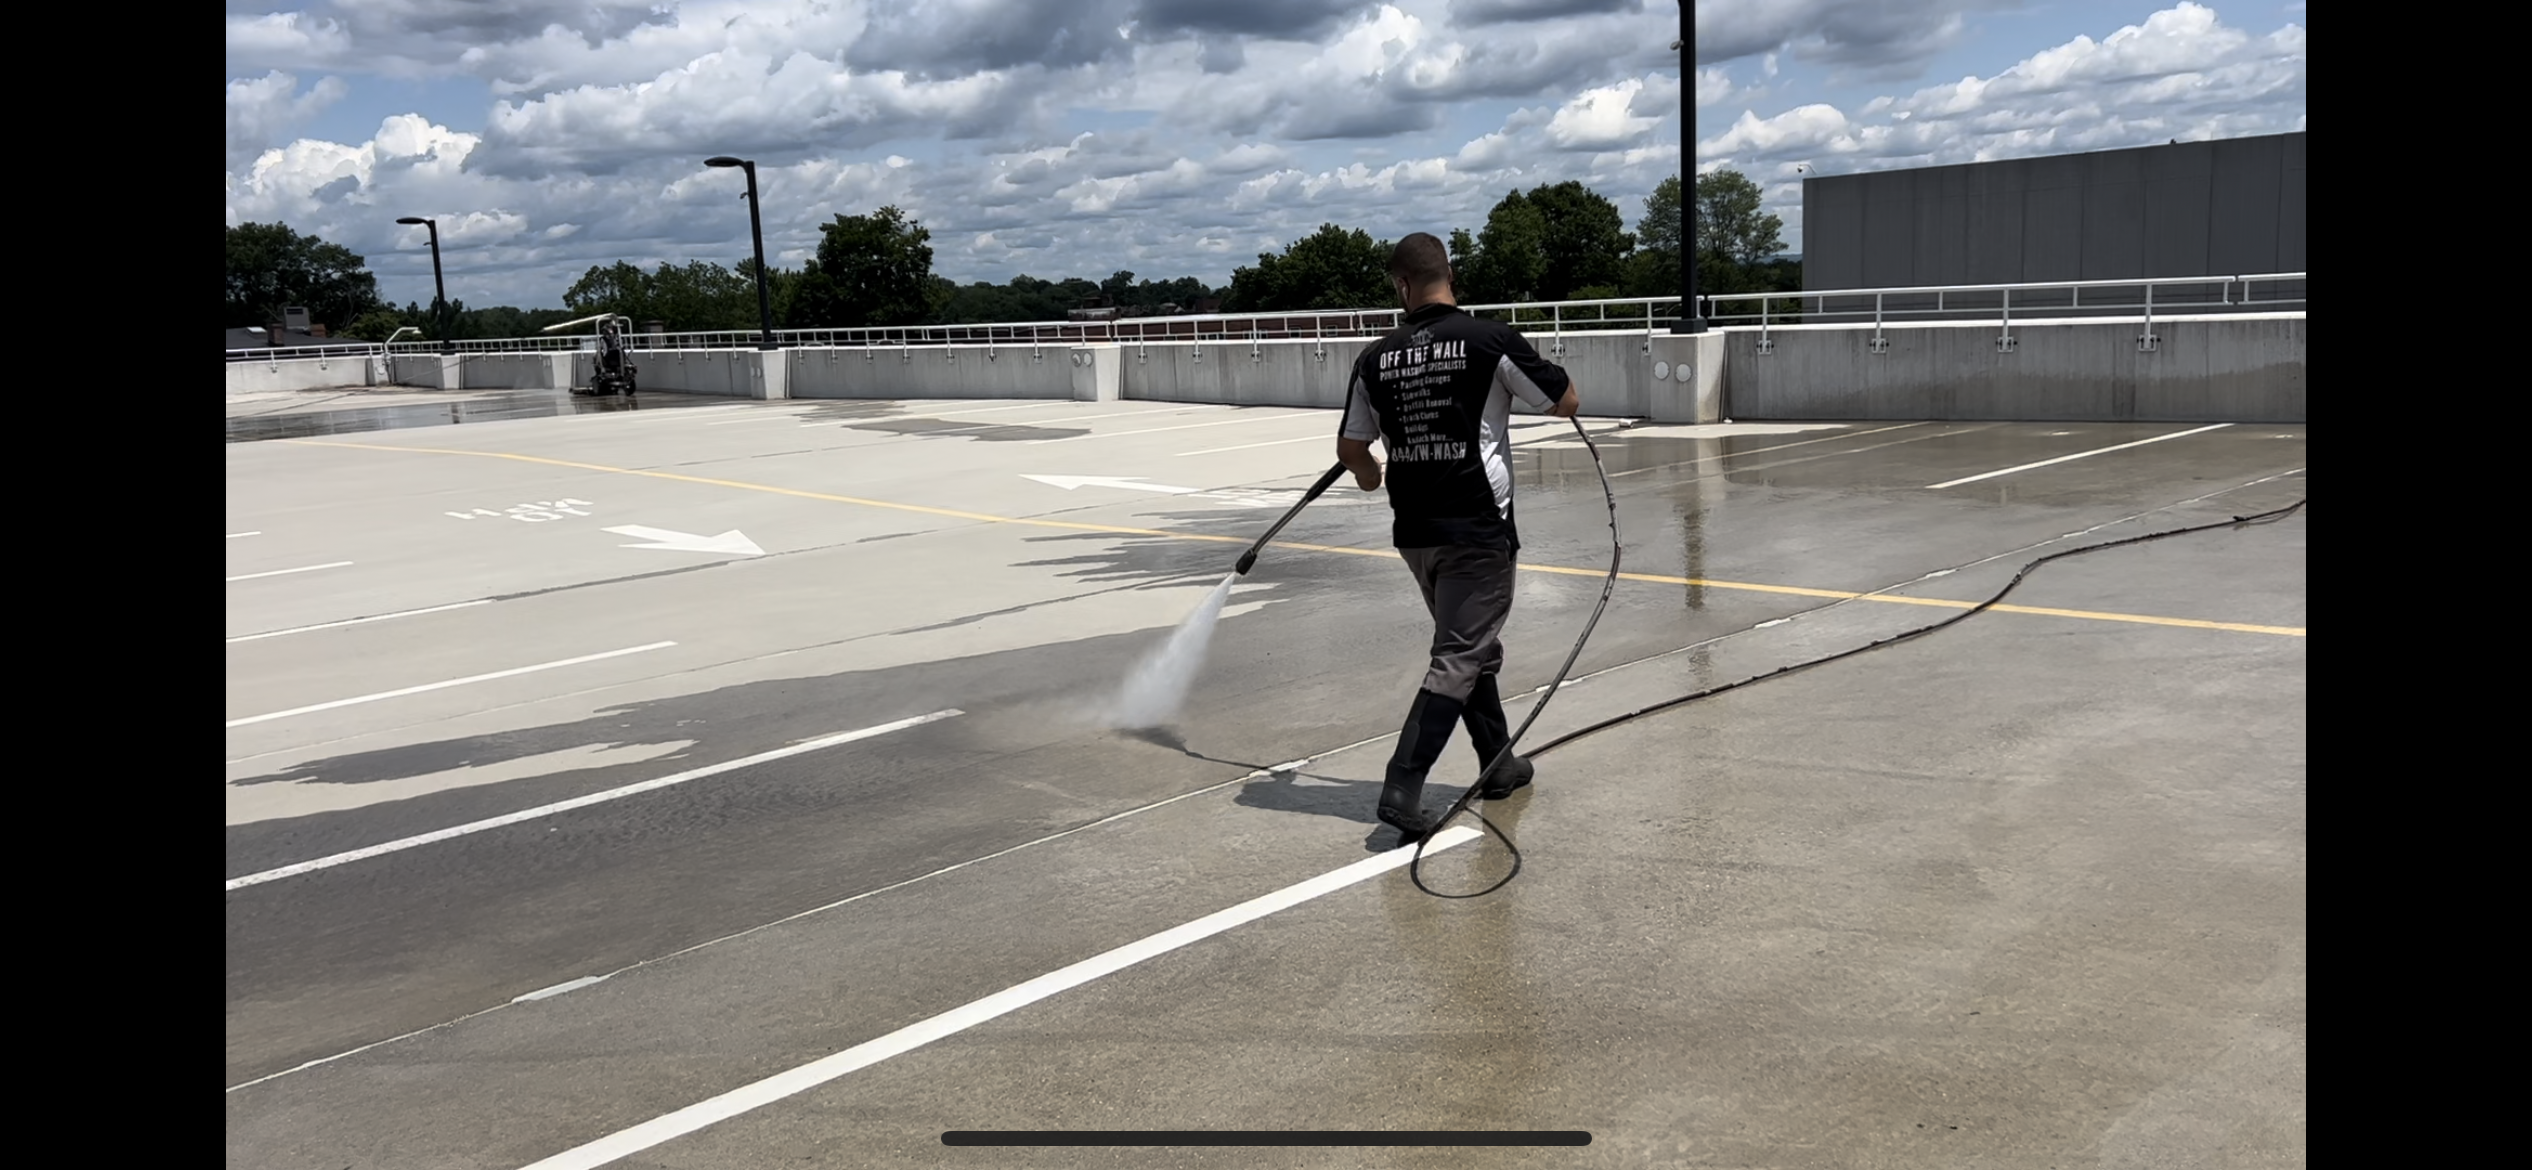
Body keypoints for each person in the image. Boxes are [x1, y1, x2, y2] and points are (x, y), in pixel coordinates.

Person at [1336, 232, 1580, 844]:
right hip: (1477, 526)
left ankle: (1499, 766)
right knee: (1459, 655)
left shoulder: (1374, 358)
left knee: (1469, 646)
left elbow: (1351, 448)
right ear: (1450, 276)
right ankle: (1401, 785)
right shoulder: (1488, 339)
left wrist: (1370, 476)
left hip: (1415, 532)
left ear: (1401, 286)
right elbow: (1565, 400)